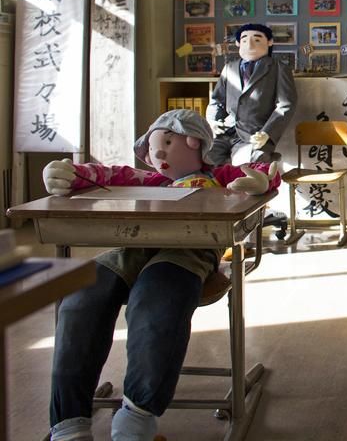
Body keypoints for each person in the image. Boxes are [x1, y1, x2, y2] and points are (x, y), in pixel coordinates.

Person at [42, 109, 280, 441]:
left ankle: (137, 415)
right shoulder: (148, 179)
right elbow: (104, 175)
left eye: (168, 142)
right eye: (154, 146)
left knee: (157, 299)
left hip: (189, 251)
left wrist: (262, 180)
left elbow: (260, 170)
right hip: (131, 247)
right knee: (82, 297)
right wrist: (69, 173)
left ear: (194, 143)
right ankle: (69, 422)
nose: (159, 153)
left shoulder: (217, 174)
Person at [207, 23, 297, 166]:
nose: (249, 44)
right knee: (203, 158)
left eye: (256, 40)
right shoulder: (229, 68)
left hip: (255, 135)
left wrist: (267, 133)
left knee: (248, 166)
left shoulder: (278, 68)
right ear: (237, 43)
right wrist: (213, 121)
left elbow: (286, 104)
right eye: (243, 40)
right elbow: (217, 100)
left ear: (269, 42)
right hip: (225, 131)